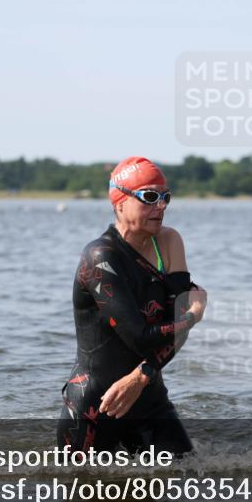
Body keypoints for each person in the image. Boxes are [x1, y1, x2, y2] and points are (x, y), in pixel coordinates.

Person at [57, 156, 206, 454]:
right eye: (150, 197)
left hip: (150, 399)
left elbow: (173, 326)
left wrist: (142, 376)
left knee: (188, 478)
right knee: (86, 496)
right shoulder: (99, 258)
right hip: (97, 406)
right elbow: (140, 336)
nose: (160, 206)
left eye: (166, 197)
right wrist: (194, 315)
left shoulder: (169, 242)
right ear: (120, 201)